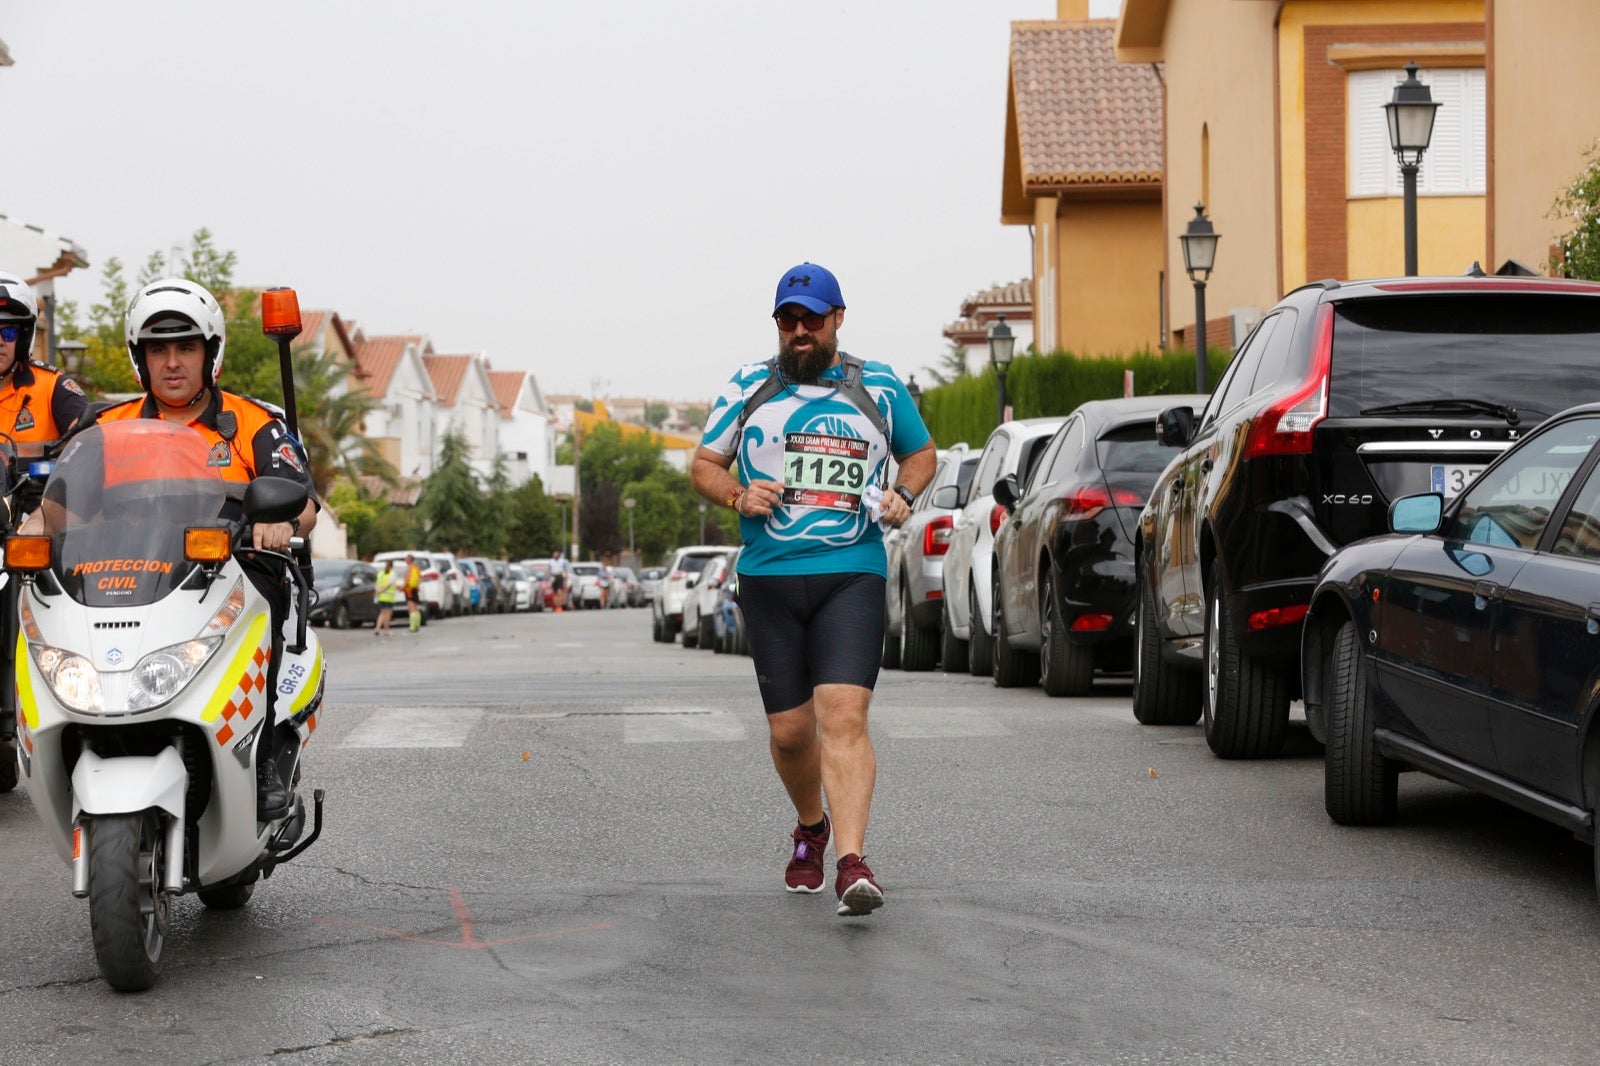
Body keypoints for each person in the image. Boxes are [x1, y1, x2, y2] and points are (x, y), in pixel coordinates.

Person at [690, 261, 935, 917]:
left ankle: (854, 863)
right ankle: (812, 827)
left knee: (844, 717)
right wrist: (739, 493)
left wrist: (904, 495)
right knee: (793, 732)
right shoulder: (749, 386)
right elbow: (704, 464)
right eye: (787, 320)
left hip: (851, 570)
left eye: (811, 320)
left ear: (837, 320)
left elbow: (922, 453)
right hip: (769, 577)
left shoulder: (877, 385)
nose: (799, 331)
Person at [97, 277, 318, 819]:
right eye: (158, 349)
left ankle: (262, 755)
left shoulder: (254, 422)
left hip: (228, 580)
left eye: (186, 347)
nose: (172, 362)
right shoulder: (105, 427)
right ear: (140, 358)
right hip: (128, 583)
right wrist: (32, 522)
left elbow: (306, 505)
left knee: (265, 603)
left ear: (210, 353)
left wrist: (280, 518)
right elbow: (57, 502)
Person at [0, 272, 90, 451]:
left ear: (24, 338)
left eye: (9, 332)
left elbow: (91, 442)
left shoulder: (52, 386)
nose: (0, 342)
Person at [374, 559, 400, 636]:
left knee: (382, 613)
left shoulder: (380, 573)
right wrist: (382, 590)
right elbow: (389, 585)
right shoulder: (392, 574)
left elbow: (376, 584)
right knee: (388, 615)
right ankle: (386, 630)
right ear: (392, 566)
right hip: (389, 597)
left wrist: (378, 591)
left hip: (381, 597)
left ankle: (377, 628)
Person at [404, 553, 423, 632]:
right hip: (415, 589)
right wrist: (417, 586)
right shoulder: (416, 568)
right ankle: (417, 625)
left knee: (411, 608)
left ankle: (412, 626)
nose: (405, 559)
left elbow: (407, 580)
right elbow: (420, 578)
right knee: (416, 607)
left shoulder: (409, 568)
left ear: (409, 560)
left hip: (409, 590)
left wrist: (403, 587)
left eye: (406, 558)